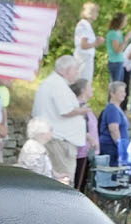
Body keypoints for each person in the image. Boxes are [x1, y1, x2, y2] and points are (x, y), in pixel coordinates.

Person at [31, 55, 89, 185]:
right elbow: (66, 111)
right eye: (75, 70)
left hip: (56, 139)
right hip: (59, 142)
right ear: (67, 70)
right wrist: (83, 110)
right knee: (64, 181)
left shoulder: (52, 83)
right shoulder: (57, 85)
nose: (77, 73)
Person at [71, 78, 99, 192]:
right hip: (83, 151)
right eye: (90, 87)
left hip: (88, 151)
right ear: (83, 90)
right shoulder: (80, 107)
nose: (93, 89)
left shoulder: (85, 106)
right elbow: (80, 126)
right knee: (79, 183)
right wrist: (91, 139)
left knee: (84, 183)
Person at [99, 81, 130, 166]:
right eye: (121, 91)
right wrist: (121, 148)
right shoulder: (112, 109)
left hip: (115, 147)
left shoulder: (117, 108)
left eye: (124, 91)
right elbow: (114, 129)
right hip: (111, 147)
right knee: (112, 174)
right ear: (112, 94)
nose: (124, 94)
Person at [73, 2, 103, 82]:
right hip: (84, 59)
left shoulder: (86, 25)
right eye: (96, 11)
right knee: (83, 83)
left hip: (85, 58)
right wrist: (96, 43)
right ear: (91, 12)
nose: (97, 14)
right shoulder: (84, 25)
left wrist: (95, 40)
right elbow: (83, 45)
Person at [106, 12, 131, 82]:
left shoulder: (119, 32)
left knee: (119, 85)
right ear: (120, 21)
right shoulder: (113, 33)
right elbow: (117, 50)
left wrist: (127, 40)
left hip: (120, 61)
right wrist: (126, 38)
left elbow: (122, 49)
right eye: (125, 20)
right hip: (115, 63)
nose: (126, 23)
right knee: (115, 86)